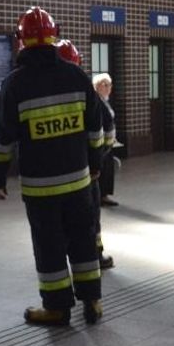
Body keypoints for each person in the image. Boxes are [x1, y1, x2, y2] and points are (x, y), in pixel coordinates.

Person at [0, 9, 105, 326]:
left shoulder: (15, 85)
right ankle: (92, 300)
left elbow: (2, 138)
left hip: (41, 189)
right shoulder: (77, 76)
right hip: (80, 182)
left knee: (49, 246)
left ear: (21, 40)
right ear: (56, 35)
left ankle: (57, 307)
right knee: (83, 239)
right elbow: (95, 130)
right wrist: (95, 165)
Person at [57, 41, 114, 269]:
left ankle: (62, 258)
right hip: (85, 174)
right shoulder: (86, 93)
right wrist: (97, 159)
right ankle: (95, 258)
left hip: (56, 176)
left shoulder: (42, 93)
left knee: (60, 222)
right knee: (89, 221)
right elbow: (107, 132)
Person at [92, 73, 118, 206]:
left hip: (108, 142)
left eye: (110, 85)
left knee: (108, 168)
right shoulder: (96, 101)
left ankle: (105, 195)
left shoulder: (105, 100)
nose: (108, 88)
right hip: (101, 142)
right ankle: (100, 196)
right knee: (102, 168)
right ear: (96, 86)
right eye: (105, 85)